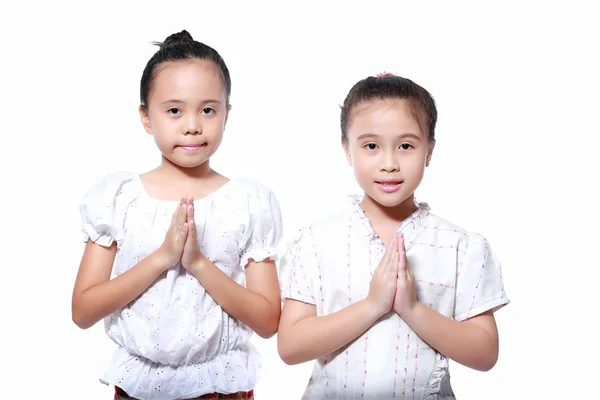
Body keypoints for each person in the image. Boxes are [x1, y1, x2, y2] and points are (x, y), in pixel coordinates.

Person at [71, 30, 282, 400]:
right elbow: (83, 310)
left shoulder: (248, 202)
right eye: (173, 110)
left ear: (226, 114)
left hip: (223, 387)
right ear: (146, 118)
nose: (192, 125)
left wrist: (198, 263)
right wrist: (162, 258)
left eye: (207, 109)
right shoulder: (119, 199)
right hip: (140, 388)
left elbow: (267, 321)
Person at [277, 72, 509, 399]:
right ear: (347, 150)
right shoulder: (317, 241)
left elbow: (485, 352)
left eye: (405, 146)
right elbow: (290, 346)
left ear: (429, 151)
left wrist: (412, 308)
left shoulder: (460, 246)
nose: (389, 163)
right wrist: (373, 305)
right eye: (371, 146)